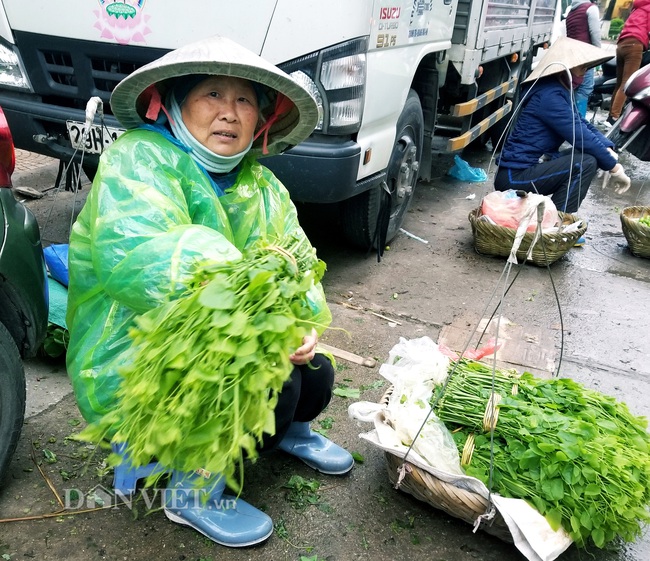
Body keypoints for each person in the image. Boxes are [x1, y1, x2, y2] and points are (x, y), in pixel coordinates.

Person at [65, 36, 354, 548]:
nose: (229, 113)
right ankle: (192, 490)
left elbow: (299, 265)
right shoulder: (139, 160)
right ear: (174, 103)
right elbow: (140, 256)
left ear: (261, 117)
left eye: (244, 100)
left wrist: (302, 323)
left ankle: (290, 433)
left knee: (314, 371)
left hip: (229, 328)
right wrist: (251, 291)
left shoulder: (260, 185)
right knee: (269, 385)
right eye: (212, 95)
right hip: (134, 350)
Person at [495, 37, 631, 220]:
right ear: (565, 68)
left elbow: (581, 123)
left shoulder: (558, 90)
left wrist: (607, 147)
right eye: (581, 69)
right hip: (514, 177)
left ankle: (554, 219)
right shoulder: (549, 96)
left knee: (587, 157)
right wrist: (614, 168)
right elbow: (579, 134)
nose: (583, 75)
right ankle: (559, 221)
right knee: (585, 163)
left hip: (529, 168)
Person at [607, 0, 650, 124]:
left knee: (619, 83)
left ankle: (611, 115)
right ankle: (614, 117)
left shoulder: (637, 8)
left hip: (621, 45)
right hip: (635, 45)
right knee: (627, 84)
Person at [565, 0, 602, 117]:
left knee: (573, 89)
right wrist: (599, 56)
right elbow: (595, 34)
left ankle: (571, 121)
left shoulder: (571, 11)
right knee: (584, 90)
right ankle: (579, 125)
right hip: (586, 56)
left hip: (572, 56)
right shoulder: (591, 8)